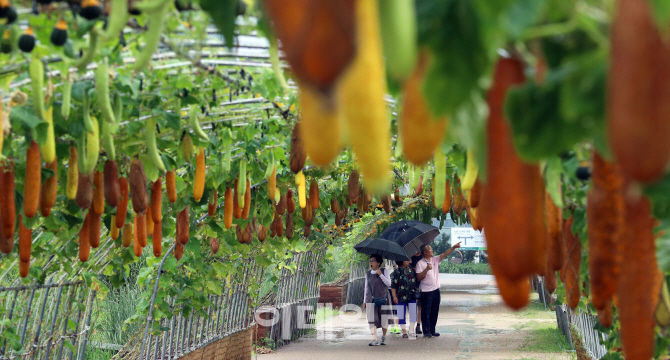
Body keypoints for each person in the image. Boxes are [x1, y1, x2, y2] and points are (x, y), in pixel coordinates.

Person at [415, 242, 461, 338]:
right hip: (426, 291)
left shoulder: (435, 259)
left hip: (436, 289)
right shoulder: (420, 263)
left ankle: (432, 330)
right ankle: (426, 331)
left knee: (435, 310)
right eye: (430, 249)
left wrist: (453, 247)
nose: (432, 251)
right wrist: (426, 269)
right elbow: (418, 277)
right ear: (425, 252)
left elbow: (445, 254)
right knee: (426, 311)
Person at [364, 254, 392, 346]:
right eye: (370, 261)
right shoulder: (368, 274)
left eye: (373, 260)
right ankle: (375, 339)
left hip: (383, 298)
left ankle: (383, 337)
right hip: (371, 299)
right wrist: (364, 301)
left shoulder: (384, 271)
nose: (371, 262)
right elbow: (366, 288)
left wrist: (380, 275)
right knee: (372, 320)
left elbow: (388, 284)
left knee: (384, 318)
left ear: (378, 263)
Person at [391, 259, 419, 338]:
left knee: (413, 313)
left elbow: (416, 280)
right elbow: (393, 285)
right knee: (401, 314)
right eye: (405, 259)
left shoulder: (411, 269)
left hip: (412, 295)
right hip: (400, 296)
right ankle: (404, 331)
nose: (408, 261)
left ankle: (411, 330)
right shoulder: (397, 271)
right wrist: (394, 296)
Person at [410, 252, 423, 334]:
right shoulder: (409, 257)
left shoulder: (423, 258)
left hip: (420, 284)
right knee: (412, 307)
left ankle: (418, 325)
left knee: (420, 307)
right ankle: (411, 326)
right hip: (410, 285)